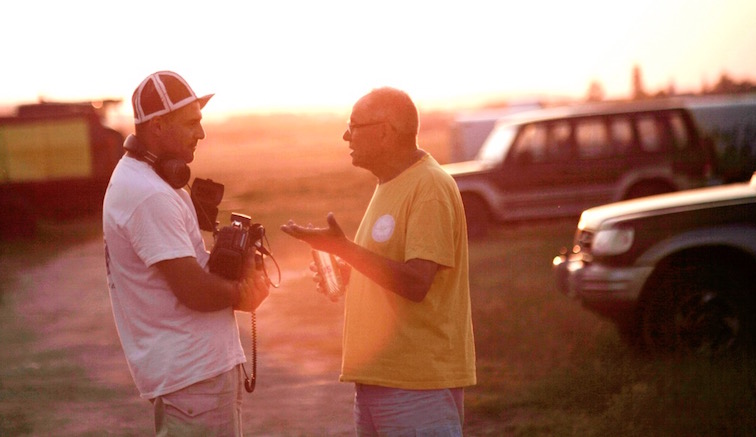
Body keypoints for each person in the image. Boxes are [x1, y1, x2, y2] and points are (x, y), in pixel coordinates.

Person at [281, 87, 476, 435]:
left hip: (417, 386)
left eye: (353, 126)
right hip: (380, 381)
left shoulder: (429, 186)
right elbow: (395, 269)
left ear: (385, 131)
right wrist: (350, 272)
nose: (346, 136)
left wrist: (346, 250)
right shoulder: (389, 184)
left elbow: (417, 283)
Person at [103, 70, 269, 436]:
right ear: (158, 126)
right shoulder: (150, 194)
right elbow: (193, 290)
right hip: (195, 378)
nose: (202, 133)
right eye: (192, 123)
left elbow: (188, 271)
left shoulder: (150, 180)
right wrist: (243, 293)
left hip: (192, 375)